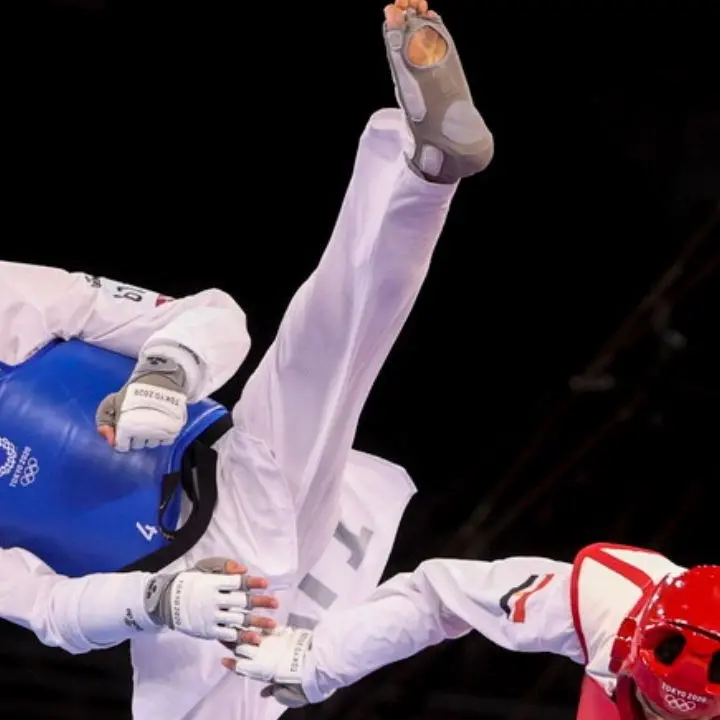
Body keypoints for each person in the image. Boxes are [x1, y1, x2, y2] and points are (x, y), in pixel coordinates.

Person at [0, 0, 494, 716]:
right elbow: (46, 607)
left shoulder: (9, 298)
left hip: (244, 467)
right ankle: (425, 177)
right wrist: (157, 601)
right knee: (336, 340)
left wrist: (168, 370)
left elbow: (209, 315)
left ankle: (427, 172)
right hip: (194, 613)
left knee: (330, 331)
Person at [228, 542, 720, 720]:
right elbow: (438, 595)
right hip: (612, 695)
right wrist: (322, 658)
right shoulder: (598, 604)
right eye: (658, 712)